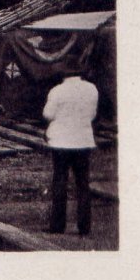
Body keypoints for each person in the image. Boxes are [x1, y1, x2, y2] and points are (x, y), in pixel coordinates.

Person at [43, 65, 99, 236]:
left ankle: (57, 226)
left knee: (60, 182)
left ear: (63, 74)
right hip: (82, 141)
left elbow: (48, 114)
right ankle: (84, 227)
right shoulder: (91, 89)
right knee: (83, 183)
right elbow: (92, 115)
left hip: (61, 142)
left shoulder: (57, 90)